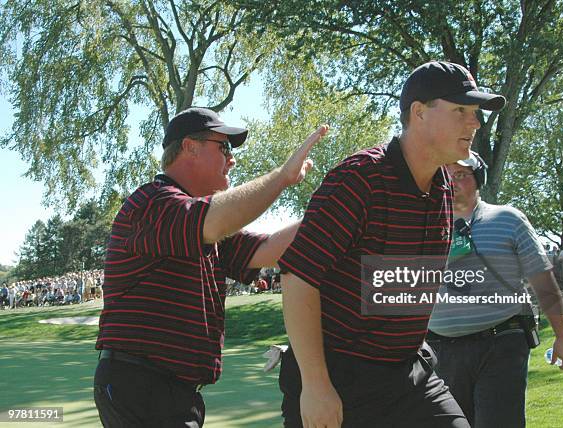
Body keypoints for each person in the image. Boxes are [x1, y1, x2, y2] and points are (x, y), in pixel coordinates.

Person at [278, 61, 506, 428]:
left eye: (475, 113)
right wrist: (316, 385)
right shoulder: (360, 178)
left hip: (408, 374)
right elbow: (298, 276)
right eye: (460, 110)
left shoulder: (443, 188)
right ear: (419, 113)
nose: (475, 123)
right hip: (337, 379)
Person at [93, 106, 328, 427]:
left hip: (175, 394)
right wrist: (282, 177)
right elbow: (214, 219)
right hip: (140, 385)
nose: (232, 159)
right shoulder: (152, 204)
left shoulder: (203, 225)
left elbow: (269, 248)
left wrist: (340, 210)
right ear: (189, 147)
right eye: (224, 147)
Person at [427, 152, 563, 428]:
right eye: (444, 176)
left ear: (478, 178)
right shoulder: (424, 227)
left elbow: (544, 282)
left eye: (460, 175)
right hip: (441, 351)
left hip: (501, 343)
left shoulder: (508, 219)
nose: (451, 182)